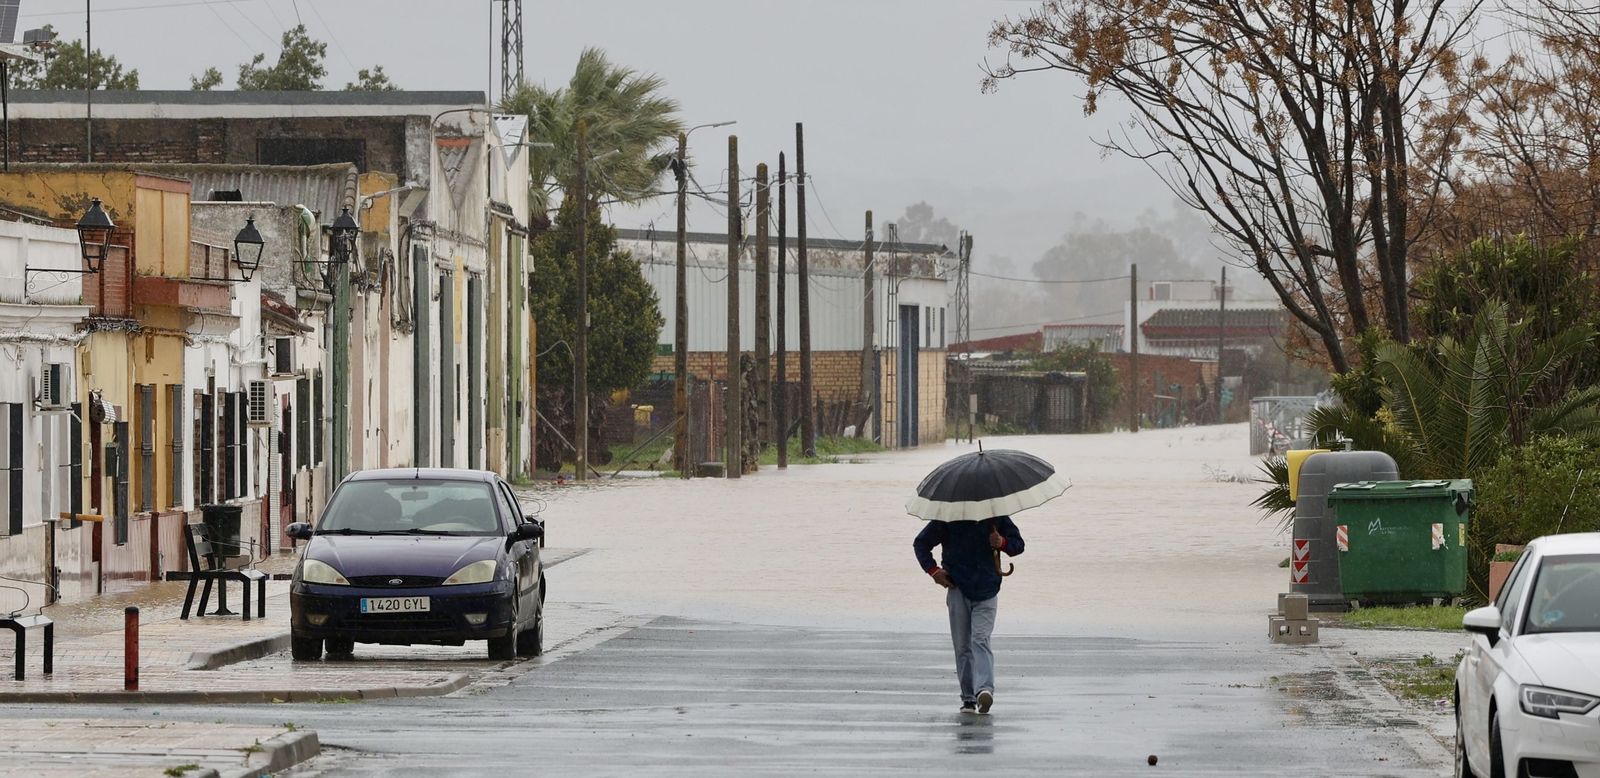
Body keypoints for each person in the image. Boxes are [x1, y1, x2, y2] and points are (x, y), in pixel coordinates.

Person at [914, 516, 1024, 714]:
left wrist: (1002, 543)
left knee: (980, 639)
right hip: (957, 587)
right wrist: (933, 571)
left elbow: (1018, 545)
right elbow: (921, 543)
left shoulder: (996, 514)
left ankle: (984, 690)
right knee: (963, 646)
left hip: (988, 589)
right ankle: (968, 700)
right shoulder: (948, 516)